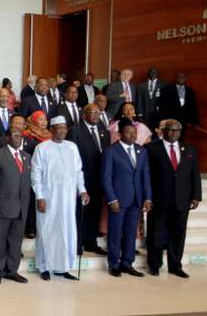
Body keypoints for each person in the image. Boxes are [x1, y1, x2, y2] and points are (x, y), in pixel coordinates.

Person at [31, 116, 89, 281]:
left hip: (68, 199)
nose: (63, 131)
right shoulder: (42, 148)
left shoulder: (72, 147)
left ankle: (62, 267)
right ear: (52, 130)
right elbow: (35, 175)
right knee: (47, 230)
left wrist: (82, 190)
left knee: (67, 231)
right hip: (48, 197)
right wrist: (40, 197)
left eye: (64, 128)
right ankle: (44, 266)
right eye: (59, 128)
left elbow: (79, 171)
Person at [146, 119, 201, 278]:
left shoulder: (189, 149)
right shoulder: (151, 149)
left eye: (176, 130)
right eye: (170, 130)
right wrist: (147, 197)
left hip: (182, 200)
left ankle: (175, 265)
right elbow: (147, 175)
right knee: (156, 233)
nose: (173, 133)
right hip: (159, 199)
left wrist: (196, 196)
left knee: (178, 234)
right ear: (163, 131)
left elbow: (194, 174)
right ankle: (155, 265)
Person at [102, 118, 152, 277]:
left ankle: (127, 263)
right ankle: (114, 264)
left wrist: (148, 198)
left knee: (131, 233)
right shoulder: (111, 151)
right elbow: (106, 178)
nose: (132, 135)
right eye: (128, 132)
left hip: (136, 200)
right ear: (119, 133)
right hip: (118, 200)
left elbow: (146, 177)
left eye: (134, 132)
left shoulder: (141, 151)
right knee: (115, 233)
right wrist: (112, 199)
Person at [0, 127, 31, 285]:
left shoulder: (26, 157)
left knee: (16, 241)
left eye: (21, 136)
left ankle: (11, 271)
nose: (19, 138)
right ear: (7, 138)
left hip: (21, 207)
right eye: (15, 135)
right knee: (0, 240)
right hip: (2, 206)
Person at [66, 104, 110, 255]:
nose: (97, 115)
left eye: (99, 112)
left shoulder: (104, 131)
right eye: (93, 112)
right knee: (80, 213)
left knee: (94, 211)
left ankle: (91, 242)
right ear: (84, 114)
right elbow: (70, 157)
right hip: (81, 179)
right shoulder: (75, 131)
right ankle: (77, 244)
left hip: (99, 179)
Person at [0, 114, 38, 238]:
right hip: (7, 185)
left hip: (25, 182)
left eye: (20, 123)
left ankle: (29, 229)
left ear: (25, 126)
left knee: (27, 204)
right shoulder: (1, 141)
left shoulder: (32, 143)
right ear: (10, 124)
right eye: (15, 123)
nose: (17, 126)